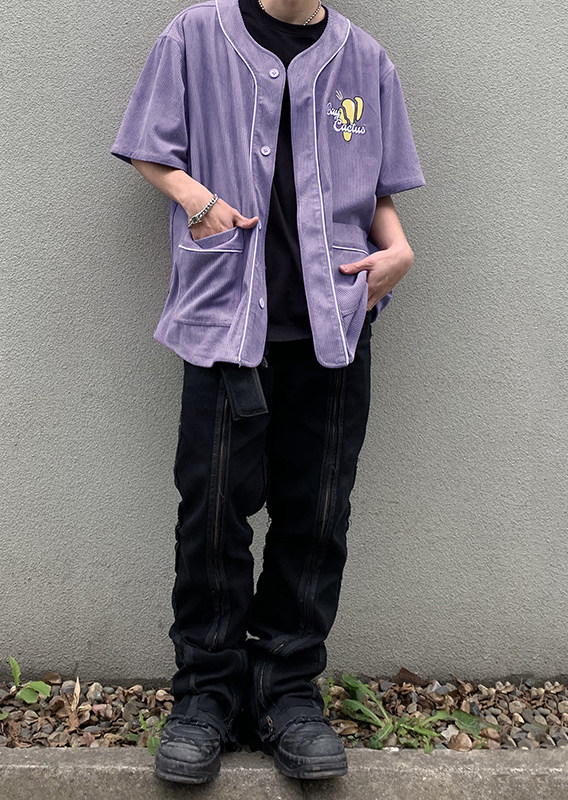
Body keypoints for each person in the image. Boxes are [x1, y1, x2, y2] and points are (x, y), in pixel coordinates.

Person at [110, 0, 426, 785]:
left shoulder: (365, 60)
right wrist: (200, 203)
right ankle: (206, 695)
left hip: (334, 327)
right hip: (228, 327)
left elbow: (380, 191)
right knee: (212, 514)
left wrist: (400, 251)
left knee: (317, 517)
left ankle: (287, 691)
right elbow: (148, 147)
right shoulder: (195, 37)